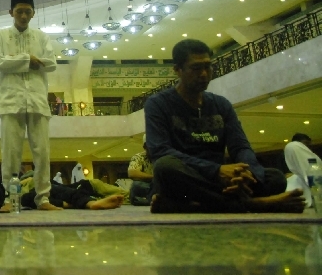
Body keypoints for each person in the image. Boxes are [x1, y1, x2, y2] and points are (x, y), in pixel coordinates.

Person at [145, 39, 304, 213]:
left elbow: (241, 147)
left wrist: (245, 175)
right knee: (165, 167)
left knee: (276, 178)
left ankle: (191, 207)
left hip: (220, 181)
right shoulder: (158, 104)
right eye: (196, 68)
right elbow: (160, 151)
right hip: (190, 178)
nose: (204, 74)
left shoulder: (221, 105)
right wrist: (216, 171)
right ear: (178, 70)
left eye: (208, 67)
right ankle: (254, 204)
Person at [0, 0, 59, 211]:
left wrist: (15, 61)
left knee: (42, 152)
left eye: (27, 12)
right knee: (10, 153)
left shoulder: (41, 37)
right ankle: (9, 199)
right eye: (19, 11)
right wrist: (27, 59)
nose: (22, 16)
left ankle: (44, 199)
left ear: (33, 13)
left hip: (38, 100)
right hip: (10, 100)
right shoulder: (1, 35)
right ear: (11, 12)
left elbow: (52, 63)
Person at [284, 133, 321, 209]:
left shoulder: (316, 162)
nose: (307, 149)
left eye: (309, 146)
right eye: (304, 146)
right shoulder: (292, 146)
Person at [128, 136, 154, 206]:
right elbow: (132, 173)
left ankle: (148, 200)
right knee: (136, 185)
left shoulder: (163, 156)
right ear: (145, 147)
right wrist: (153, 177)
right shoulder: (139, 157)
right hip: (147, 186)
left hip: (159, 187)